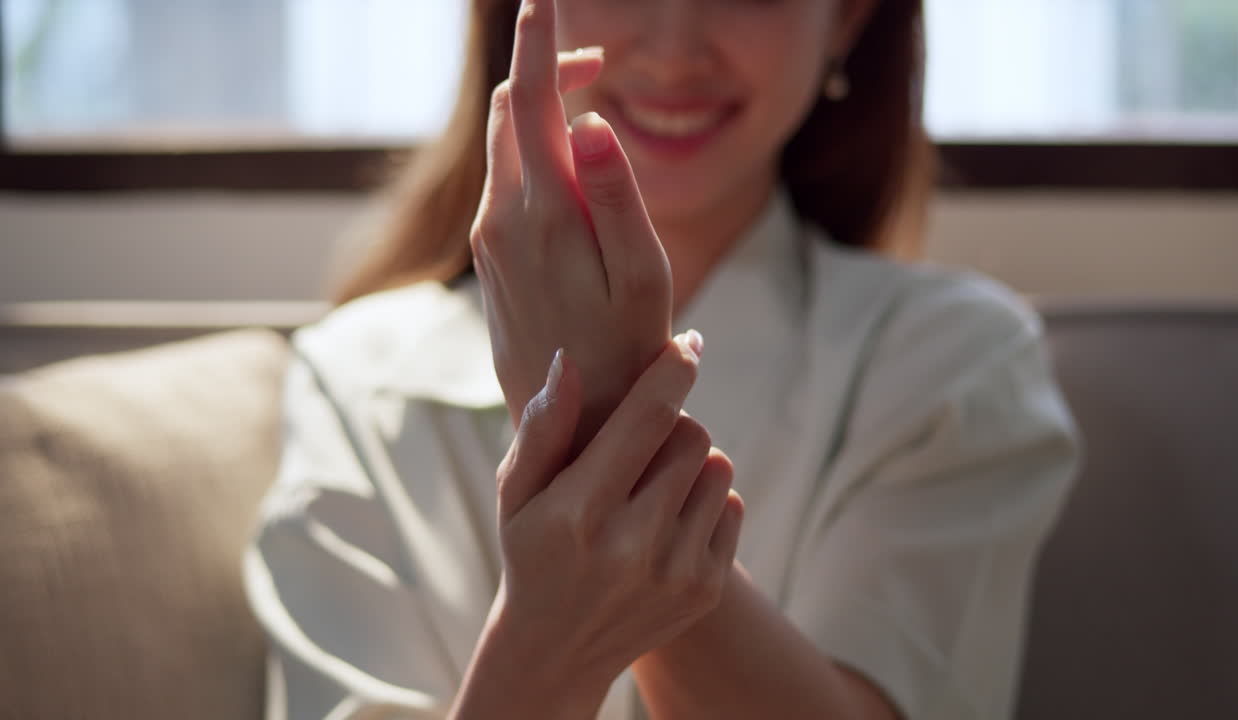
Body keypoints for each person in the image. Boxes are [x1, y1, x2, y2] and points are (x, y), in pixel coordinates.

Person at [243, 0, 1080, 718]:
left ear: (848, 16)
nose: (676, 47)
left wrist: (610, 433)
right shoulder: (358, 377)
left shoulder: (955, 364)